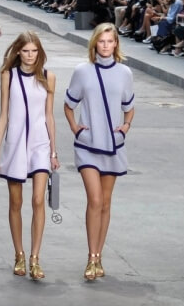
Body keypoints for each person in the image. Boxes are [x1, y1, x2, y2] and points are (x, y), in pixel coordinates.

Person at [64, 23, 135, 281]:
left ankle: (98, 257)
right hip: (87, 145)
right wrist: (75, 128)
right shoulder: (82, 71)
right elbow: (68, 104)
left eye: (110, 41)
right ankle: (91, 256)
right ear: (94, 43)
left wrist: (125, 127)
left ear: (116, 44)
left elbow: (129, 106)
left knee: (105, 203)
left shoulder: (125, 73)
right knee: (94, 200)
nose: (105, 45)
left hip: (113, 146)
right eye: (101, 41)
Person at [0, 31, 59, 280]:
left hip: (40, 144)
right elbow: (4, 114)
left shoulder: (48, 77)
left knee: (38, 200)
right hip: (16, 144)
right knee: (16, 203)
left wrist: (53, 150)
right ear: (18, 52)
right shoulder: (8, 75)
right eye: (26, 51)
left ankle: (35, 258)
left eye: (34, 51)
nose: (30, 55)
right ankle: (19, 254)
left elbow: (49, 115)